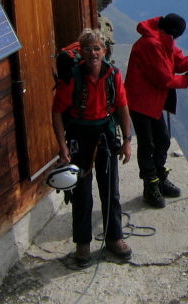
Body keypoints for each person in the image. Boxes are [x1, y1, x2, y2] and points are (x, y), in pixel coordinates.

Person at [52, 28, 134, 268]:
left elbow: (122, 107)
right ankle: (83, 244)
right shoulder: (72, 78)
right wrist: (62, 146)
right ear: (81, 52)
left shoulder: (113, 75)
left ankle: (114, 237)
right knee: (82, 194)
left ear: (104, 51)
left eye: (96, 48)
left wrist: (127, 140)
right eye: (87, 48)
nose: (92, 53)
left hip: (106, 136)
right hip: (80, 136)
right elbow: (57, 112)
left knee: (111, 191)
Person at [125, 13, 188, 208]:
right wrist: (187, 80)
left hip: (152, 101)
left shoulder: (162, 40)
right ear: (171, 33)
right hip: (140, 102)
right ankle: (151, 185)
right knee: (148, 144)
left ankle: (159, 177)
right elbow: (163, 78)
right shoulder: (150, 44)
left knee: (162, 140)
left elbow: (178, 59)